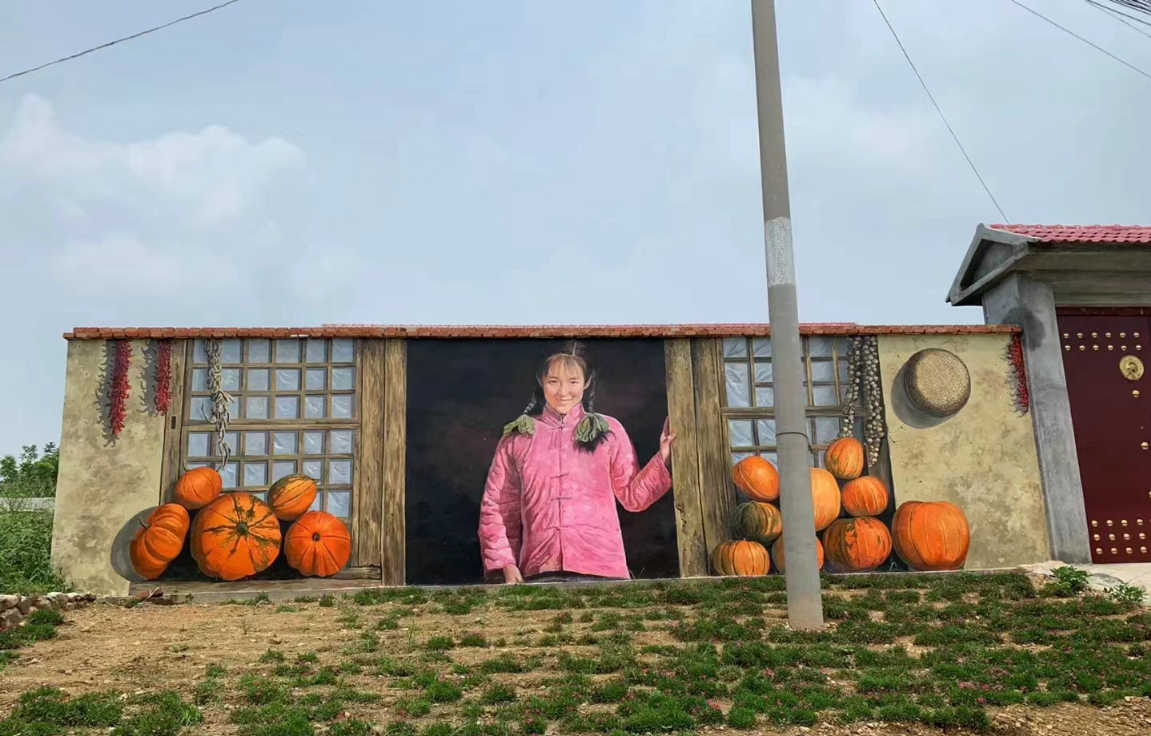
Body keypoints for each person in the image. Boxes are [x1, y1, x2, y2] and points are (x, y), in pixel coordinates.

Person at [477, 345, 676, 584]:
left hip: (604, 571)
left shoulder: (609, 431)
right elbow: (497, 508)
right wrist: (505, 563)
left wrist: (663, 458)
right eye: (553, 381)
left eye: (573, 382)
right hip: (540, 571)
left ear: (586, 382)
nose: (563, 392)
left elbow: (634, 498)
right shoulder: (518, 437)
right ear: (541, 381)